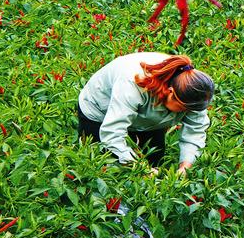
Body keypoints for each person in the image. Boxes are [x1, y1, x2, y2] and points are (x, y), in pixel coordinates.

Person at [77, 53, 214, 171]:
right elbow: (112, 134)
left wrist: (185, 167)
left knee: (154, 161)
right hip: (100, 111)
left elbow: (195, 130)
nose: (187, 113)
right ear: (171, 92)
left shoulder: (195, 92)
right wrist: (142, 170)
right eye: (184, 109)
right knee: (105, 166)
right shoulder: (132, 83)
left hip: (149, 120)